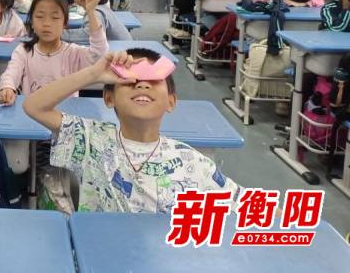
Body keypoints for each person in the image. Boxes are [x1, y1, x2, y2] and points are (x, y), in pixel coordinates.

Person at [24, 48, 242, 213]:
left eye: (154, 80)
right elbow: (34, 107)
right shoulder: (91, 138)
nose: (142, 85)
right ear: (109, 98)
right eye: (130, 80)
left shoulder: (193, 162)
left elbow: (245, 206)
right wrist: (93, 74)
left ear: (171, 102)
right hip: (98, 253)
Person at [0, 0, 108, 106]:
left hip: (64, 114)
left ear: (65, 23)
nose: (47, 23)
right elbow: (11, 74)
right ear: (32, 22)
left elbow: (99, 53)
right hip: (32, 113)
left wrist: (91, 12)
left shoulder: (73, 53)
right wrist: (7, 87)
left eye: (55, 17)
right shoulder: (24, 51)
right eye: (40, 16)